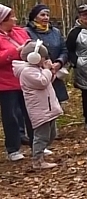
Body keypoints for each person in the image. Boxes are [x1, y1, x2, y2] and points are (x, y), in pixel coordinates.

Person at [14, 40, 62, 169]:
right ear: (34, 58)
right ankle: (37, 160)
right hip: (40, 109)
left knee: (51, 134)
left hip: (48, 107)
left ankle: (40, 154)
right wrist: (47, 70)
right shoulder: (27, 71)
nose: (46, 60)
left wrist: (50, 71)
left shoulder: (37, 69)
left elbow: (48, 81)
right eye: (44, 58)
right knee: (41, 136)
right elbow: (41, 82)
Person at [0, 4, 34, 161]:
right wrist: (16, 51)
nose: (15, 19)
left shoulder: (20, 32)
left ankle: (38, 145)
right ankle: (13, 148)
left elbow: (31, 46)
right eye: (11, 17)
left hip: (26, 79)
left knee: (32, 113)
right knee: (11, 116)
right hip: (6, 83)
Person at [25, 4, 69, 105]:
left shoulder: (56, 32)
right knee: (41, 106)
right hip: (37, 75)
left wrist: (59, 63)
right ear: (34, 17)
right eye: (42, 15)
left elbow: (64, 50)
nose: (46, 17)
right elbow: (26, 53)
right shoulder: (26, 32)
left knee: (56, 105)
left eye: (47, 15)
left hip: (55, 73)